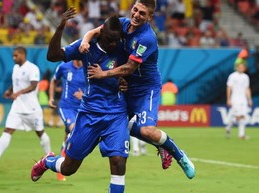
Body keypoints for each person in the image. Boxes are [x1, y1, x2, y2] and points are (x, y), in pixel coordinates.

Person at [79, 0, 195, 178]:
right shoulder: (123, 24)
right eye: (135, 10)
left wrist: (103, 74)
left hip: (146, 88)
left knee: (147, 130)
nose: (136, 15)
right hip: (128, 85)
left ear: (149, 17)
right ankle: (160, 144)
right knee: (118, 124)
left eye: (142, 13)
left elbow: (129, 67)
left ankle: (179, 155)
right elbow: (94, 32)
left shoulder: (146, 38)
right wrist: (85, 42)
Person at [31, 8, 130, 193]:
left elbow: (132, 70)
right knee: (68, 168)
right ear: (100, 33)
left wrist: (125, 82)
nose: (113, 44)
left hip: (116, 113)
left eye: (116, 40)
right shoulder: (86, 47)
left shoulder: (123, 46)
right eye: (110, 40)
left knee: (119, 162)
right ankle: (48, 161)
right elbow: (53, 55)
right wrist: (60, 27)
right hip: (90, 114)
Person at [0, 46, 52, 167]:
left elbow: (34, 85)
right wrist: (10, 90)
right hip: (17, 107)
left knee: (40, 132)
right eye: (13, 56)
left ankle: (50, 157)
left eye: (16, 55)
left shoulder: (32, 68)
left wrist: (18, 93)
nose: (14, 58)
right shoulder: (15, 68)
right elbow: (16, 83)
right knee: (7, 130)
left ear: (23, 55)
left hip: (31, 108)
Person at [49, 59, 86, 181]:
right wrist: (51, 98)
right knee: (74, 130)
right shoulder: (63, 67)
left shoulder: (88, 66)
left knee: (68, 136)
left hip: (82, 108)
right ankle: (64, 164)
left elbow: (95, 87)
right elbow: (54, 81)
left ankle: (59, 163)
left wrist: (84, 95)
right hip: (67, 107)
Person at [225, 62, 252, 139]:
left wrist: (249, 99)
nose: (241, 68)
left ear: (244, 68)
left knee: (243, 116)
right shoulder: (232, 76)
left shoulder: (246, 77)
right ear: (237, 67)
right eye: (239, 67)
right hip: (235, 99)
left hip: (243, 99)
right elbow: (229, 88)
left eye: (242, 67)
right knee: (237, 116)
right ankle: (229, 127)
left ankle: (241, 135)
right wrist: (228, 99)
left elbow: (247, 88)